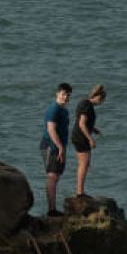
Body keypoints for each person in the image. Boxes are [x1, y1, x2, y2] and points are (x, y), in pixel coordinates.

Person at [40, 83, 72, 217]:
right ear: (57, 93)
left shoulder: (64, 110)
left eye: (68, 95)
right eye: (63, 94)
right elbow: (51, 129)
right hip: (51, 146)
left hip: (60, 147)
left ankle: (52, 209)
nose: (66, 97)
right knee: (52, 176)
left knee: (56, 176)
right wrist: (59, 147)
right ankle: (51, 210)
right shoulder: (54, 109)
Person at [70, 84, 106, 198]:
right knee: (84, 164)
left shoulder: (84, 102)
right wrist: (91, 139)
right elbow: (81, 124)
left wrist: (94, 130)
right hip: (81, 137)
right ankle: (80, 193)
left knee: (85, 164)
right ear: (98, 98)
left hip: (79, 136)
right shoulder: (87, 106)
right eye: (102, 101)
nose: (101, 104)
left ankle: (80, 191)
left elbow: (84, 123)